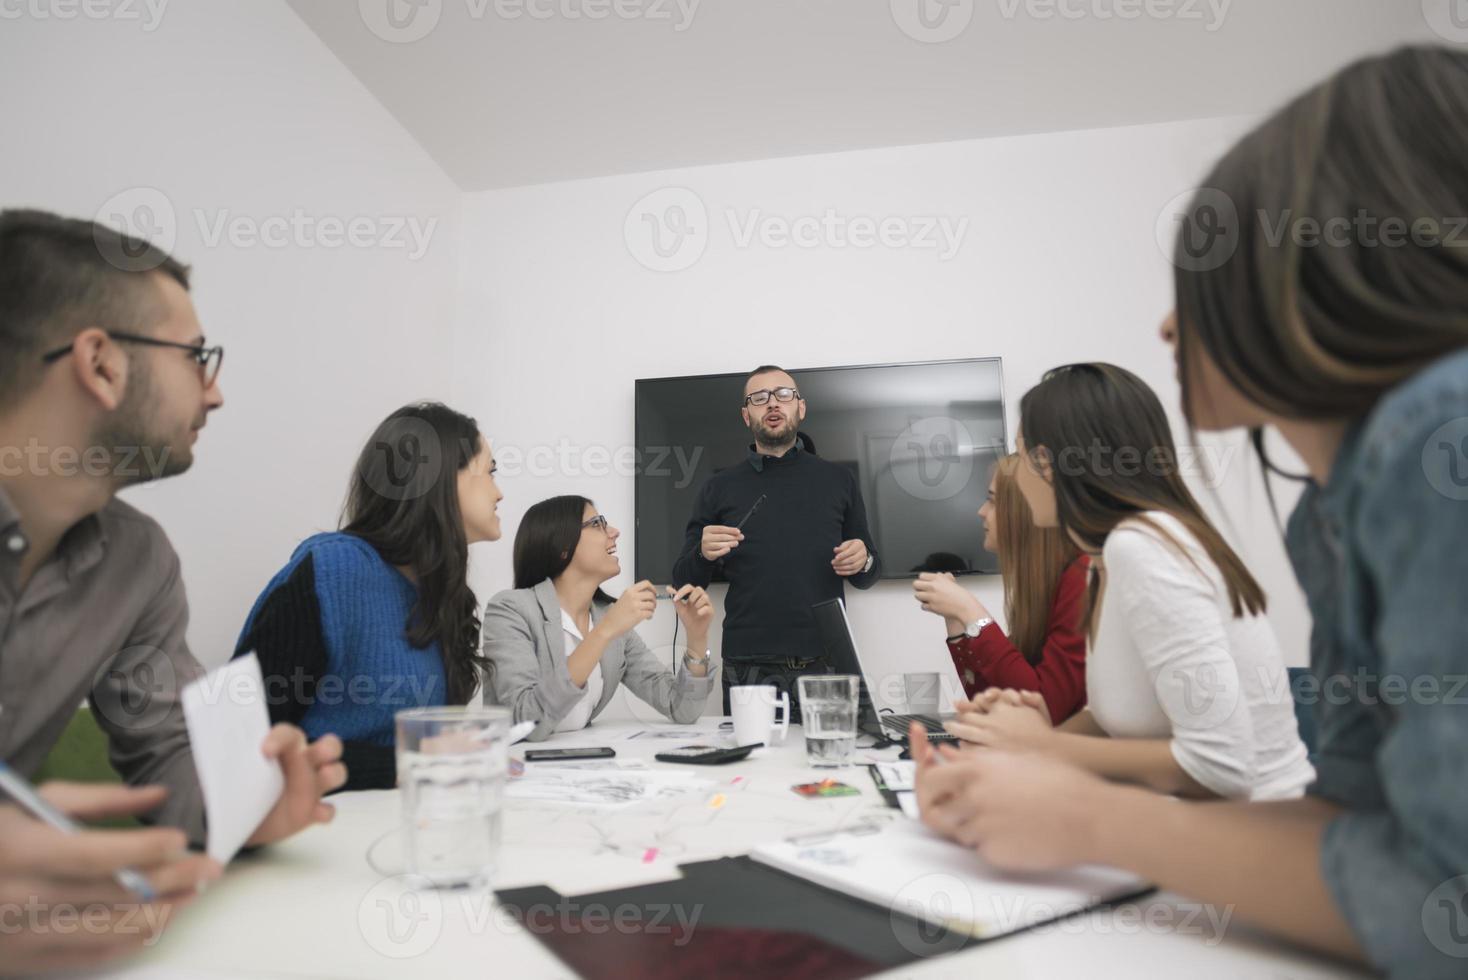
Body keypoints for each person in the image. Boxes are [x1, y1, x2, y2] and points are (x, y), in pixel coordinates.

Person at [913, 45, 1468, 977]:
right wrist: (1045, 759)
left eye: (1204, 281)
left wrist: (1081, 813)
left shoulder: (1430, 440)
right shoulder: (1325, 519)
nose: (1169, 328)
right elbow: (1361, 820)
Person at [0, 210, 343, 972]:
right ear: (101, 362)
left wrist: (245, 802)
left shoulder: (138, 561)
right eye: (196, 357)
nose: (215, 394)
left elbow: (167, 759)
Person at [939, 364, 1314, 800]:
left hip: (1256, 833)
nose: (1014, 479)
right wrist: (1013, 740)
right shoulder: (1106, 559)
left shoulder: (1142, 548)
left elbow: (1220, 766)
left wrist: (1039, 745)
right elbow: (1115, 715)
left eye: (1020, 457)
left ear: (1046, 464)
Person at [236, 403, 503, 791]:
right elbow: (249, 745)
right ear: (440, 477)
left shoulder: (441, 595)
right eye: (490, 472)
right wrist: (410, 762)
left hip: (404, 823)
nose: (499, 492)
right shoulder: (334, 571)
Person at [671, 365, 880, 720]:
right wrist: (703, 554)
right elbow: (683, 582)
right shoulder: (718, 487)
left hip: (826, 660)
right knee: (750, 768)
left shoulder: (838, 480)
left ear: (800, 407)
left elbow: (868, 573)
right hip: (748, 665)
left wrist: (864, 561)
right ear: (745, 414)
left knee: (832, 765)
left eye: (783, 395)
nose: (772, 404)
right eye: (759, 398)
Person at [482, 496, 716, 740]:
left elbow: (682, 708)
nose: (614, 532)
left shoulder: (608, 619)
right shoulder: (510, 610)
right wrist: (604, 632)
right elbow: (527, 722)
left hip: (578, 767)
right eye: (597, 524)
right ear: (562, 546)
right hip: (516, 770)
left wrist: (696, 637)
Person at [911, 454, 1089, 724]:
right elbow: (992, 703)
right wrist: (957, 624)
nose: (981, 511)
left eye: (993, 501)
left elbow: (1042, 710)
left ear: (1025, 511)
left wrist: (970, 611)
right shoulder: (1041, 587)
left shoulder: (1081, 577)